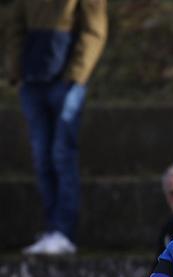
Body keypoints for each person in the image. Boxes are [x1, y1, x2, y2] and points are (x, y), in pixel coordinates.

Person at [8, 0, 108, 255]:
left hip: (65, 81)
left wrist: (75, 75)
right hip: (33, 79)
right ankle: (51, 228)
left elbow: (94, 30)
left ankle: (64, 231)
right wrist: (17, 70)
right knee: (42, 158)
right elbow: (16, 26)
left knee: (62, 155)